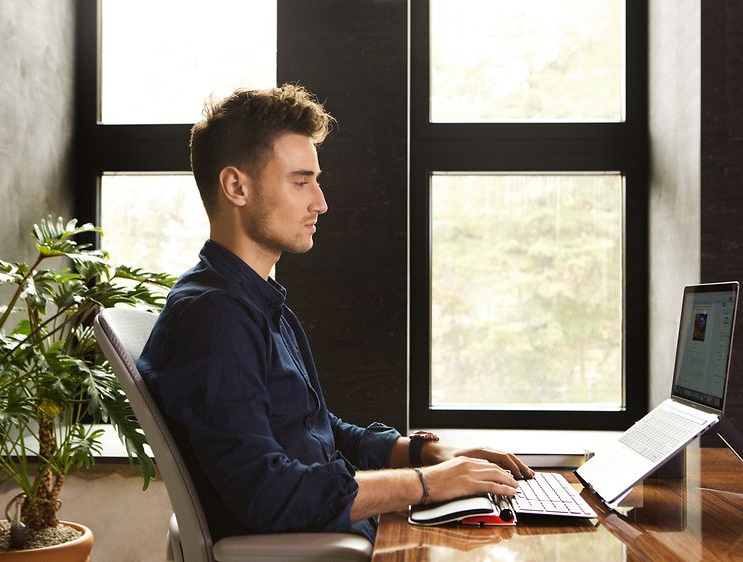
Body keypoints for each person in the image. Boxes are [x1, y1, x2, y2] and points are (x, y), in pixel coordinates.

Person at [137, 84, 534, 543]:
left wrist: (426, 452)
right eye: (301, 181)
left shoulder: (256, 302)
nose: (320, 202)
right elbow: (266, 492)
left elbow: (321, 433)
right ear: (236, 186)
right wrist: (428, 485)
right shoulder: (212, 317)